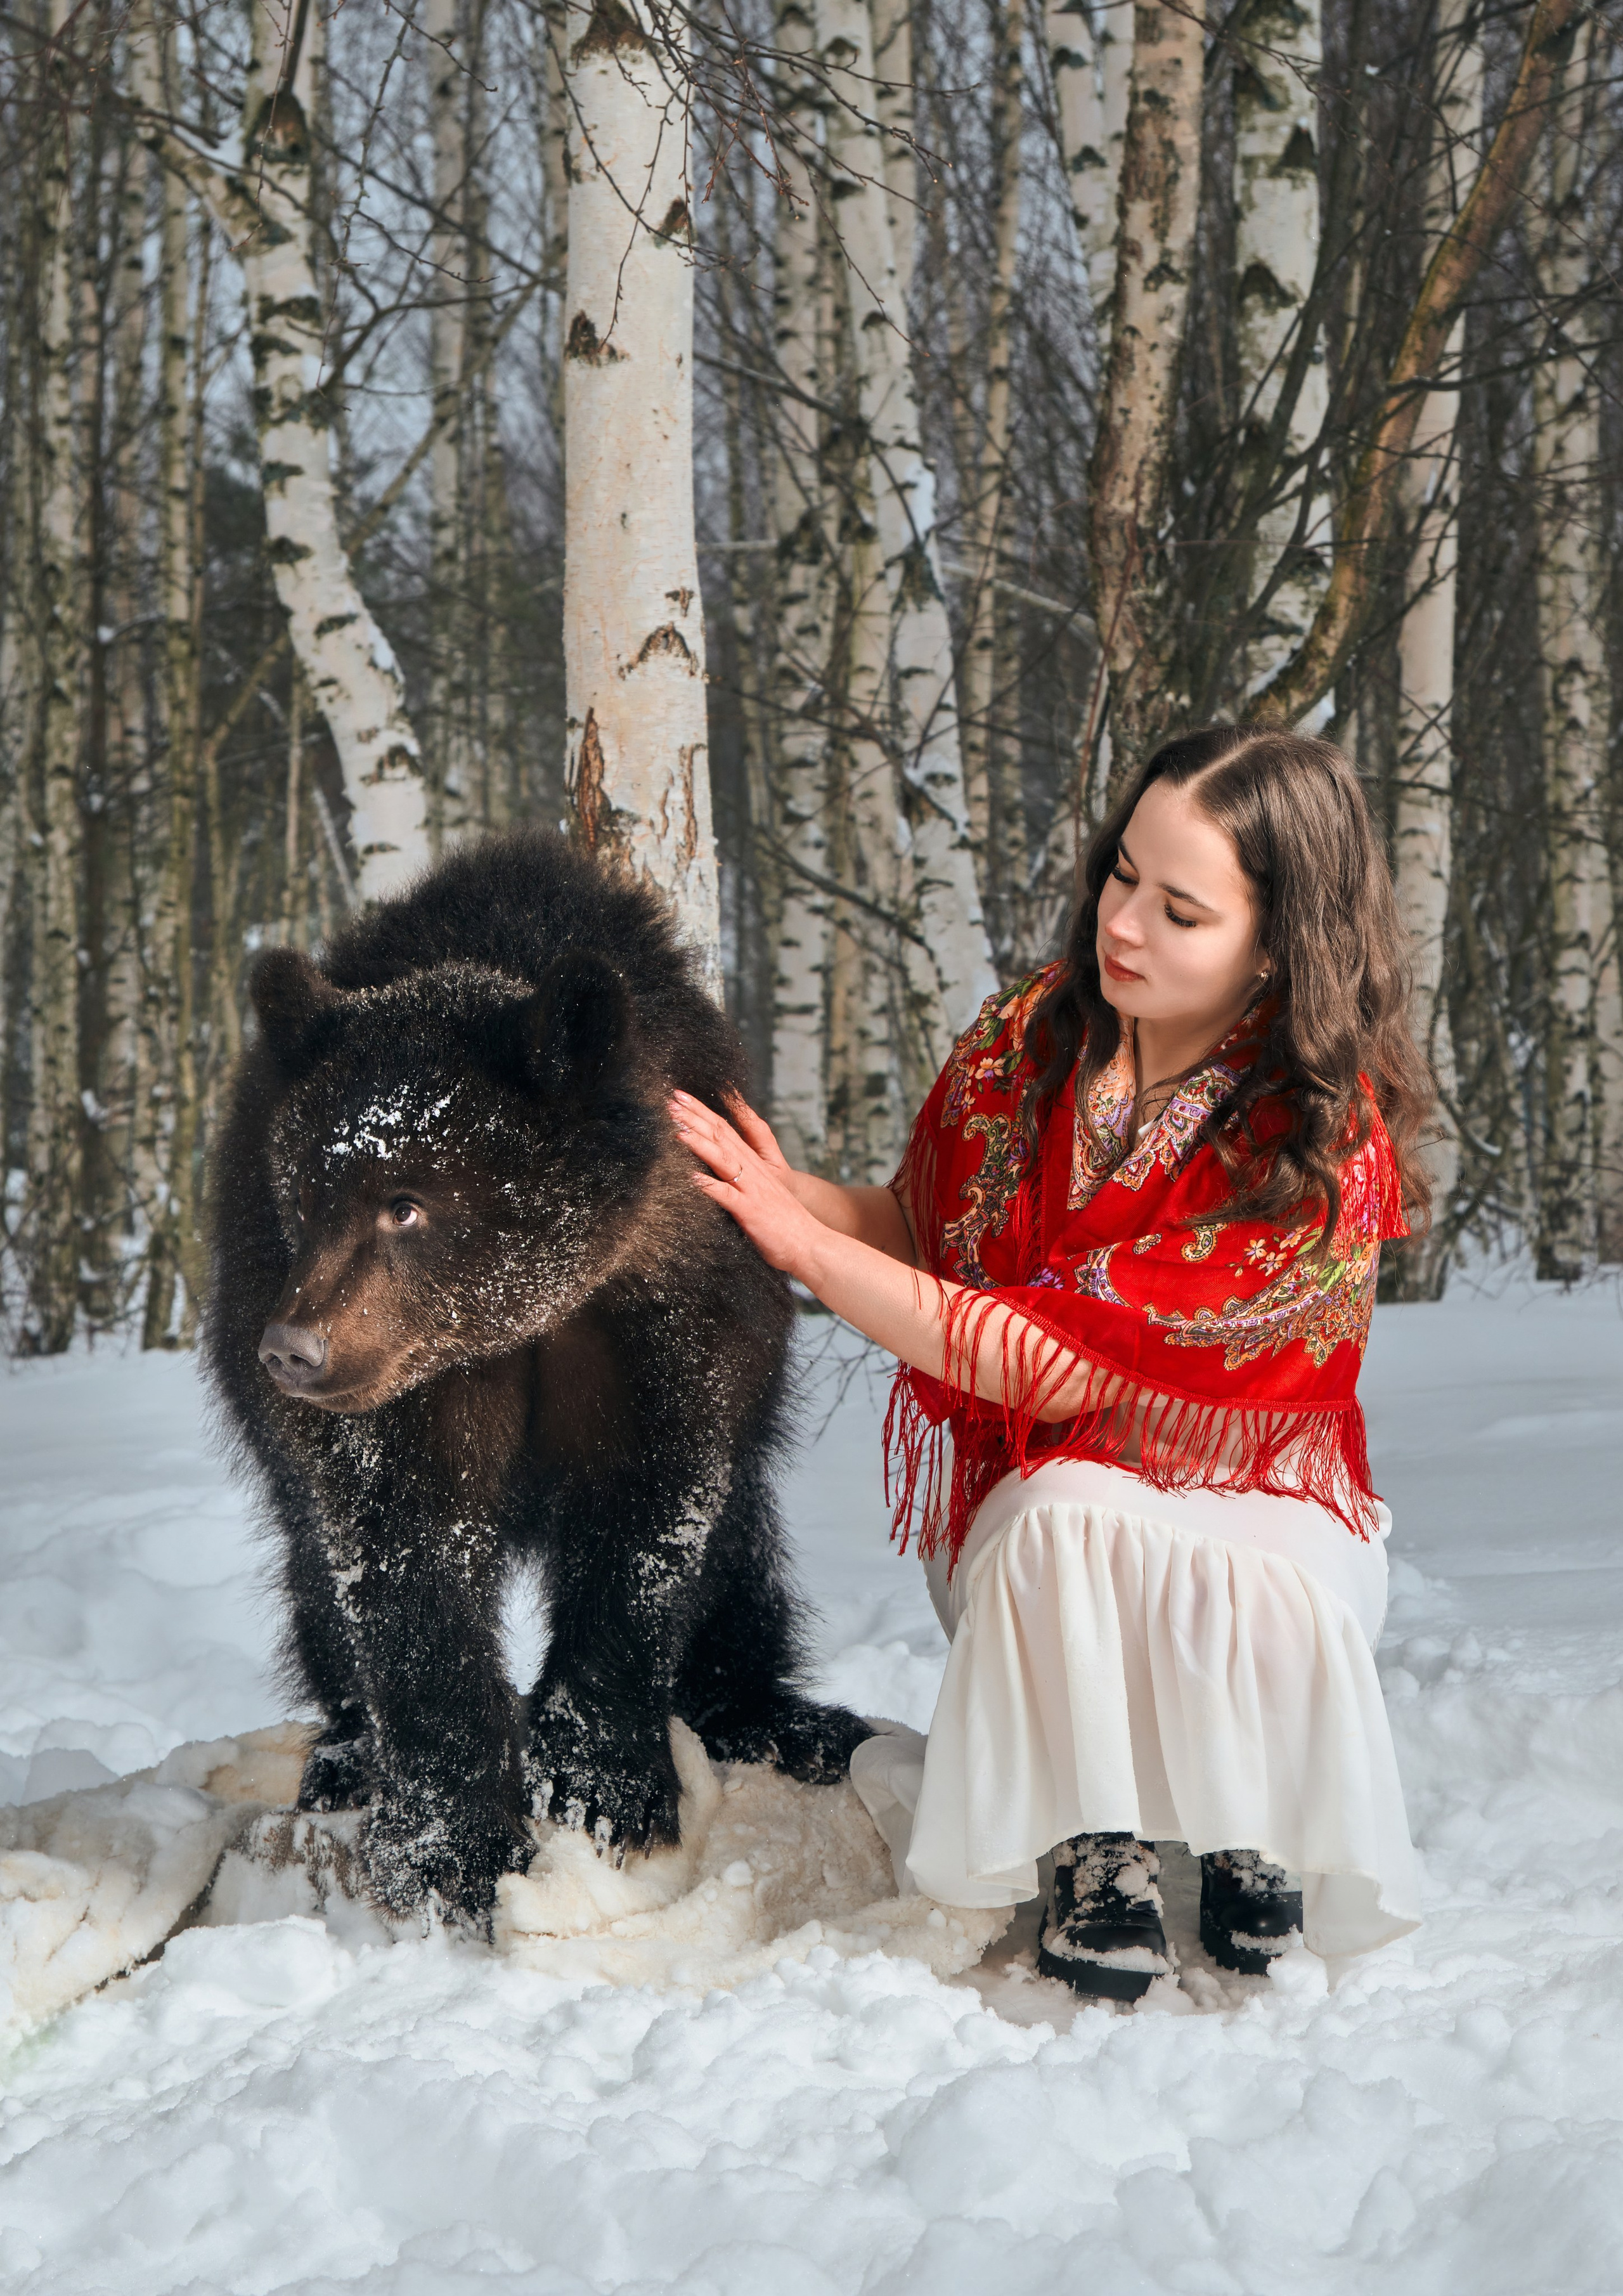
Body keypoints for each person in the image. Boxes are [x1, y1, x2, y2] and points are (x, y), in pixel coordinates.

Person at [671, 724, 1429, 2001]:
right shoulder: (1027, 1037)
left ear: (1280, 943)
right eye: (1119, 873)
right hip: (1044, 1519)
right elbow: (923, 1240)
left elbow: (1047, 1361)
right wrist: (776, 1193)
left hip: (1260, 1515)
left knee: (1100, 1518)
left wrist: (800, 1243)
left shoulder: (1321, 1137)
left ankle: (1252, 1827)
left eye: (1178, 908)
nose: (1121, 921)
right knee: (1057, 1515)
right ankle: (1095, 1843)